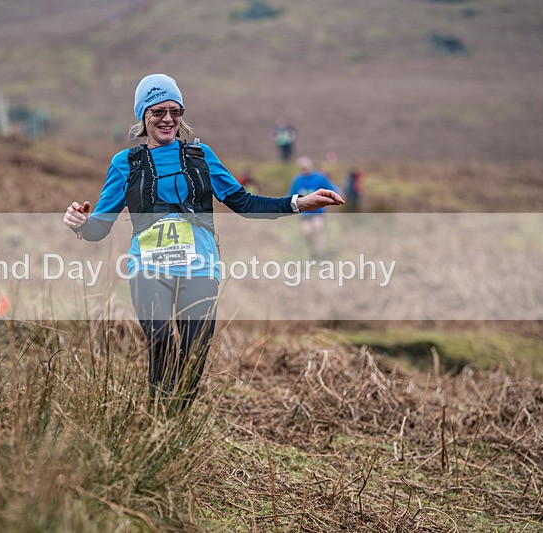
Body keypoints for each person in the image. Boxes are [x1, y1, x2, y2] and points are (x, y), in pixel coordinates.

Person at [63, 74, 343, 412]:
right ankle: (157, 421)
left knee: (194, 352)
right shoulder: (126, 164)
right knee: (163, 340)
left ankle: (173, 423)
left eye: (175, 110)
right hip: (148, 268)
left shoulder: (201, 156)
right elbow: (98, 229)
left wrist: (298, 202)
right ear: (143, 116)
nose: (168, 119)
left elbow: (245, 203)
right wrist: (80, 222)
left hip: (200, 267)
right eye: (157, 111)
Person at [289, 156, 341, 258]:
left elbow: (331, 188)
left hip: (318, 211)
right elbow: (291, 196)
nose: (305, 170)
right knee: (306, 232)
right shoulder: (297, 180)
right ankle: (312, 252)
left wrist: (337, 194)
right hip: (304, 212)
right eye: (302, 168)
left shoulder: (319, 178)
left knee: (318, 228)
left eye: (306, 167)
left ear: (310, 166)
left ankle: (322, 252)